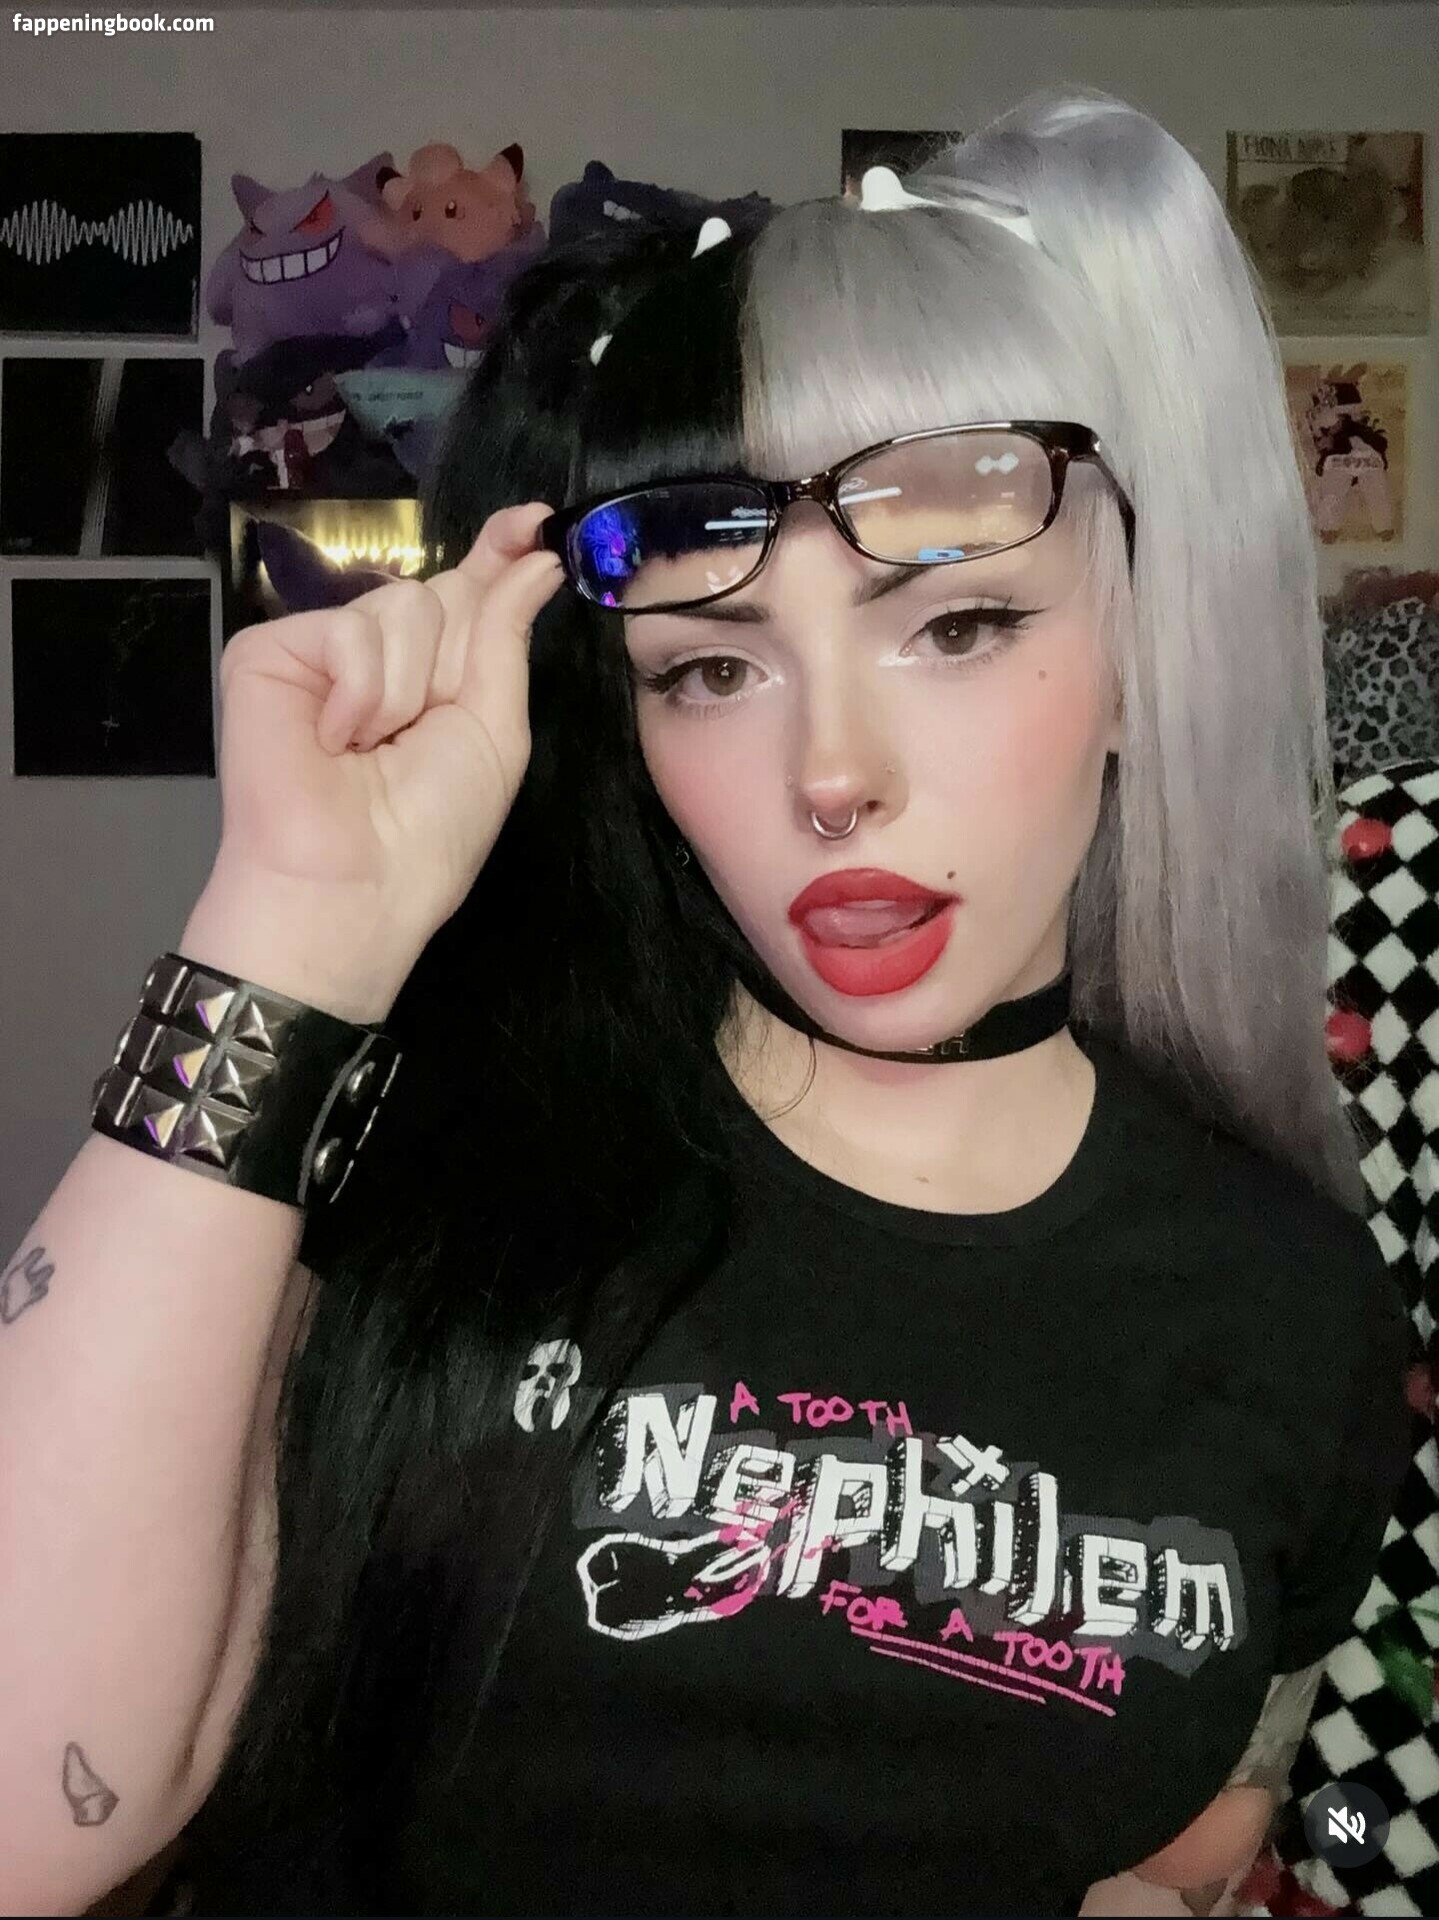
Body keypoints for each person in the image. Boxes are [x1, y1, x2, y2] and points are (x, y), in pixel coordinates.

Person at [0, 89, 1414, 1919]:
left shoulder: (1289, 1305)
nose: (832, 775)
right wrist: (289, 927)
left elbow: (1227, 1823)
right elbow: (28, 1813)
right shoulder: (427, 1162)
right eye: (713, 668)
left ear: (1144, 653)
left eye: (959, 627)